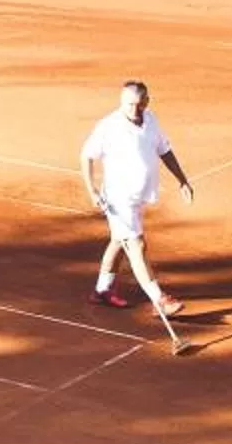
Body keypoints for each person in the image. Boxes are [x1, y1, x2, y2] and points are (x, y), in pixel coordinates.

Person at [80, 79, 193, 326]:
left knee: (118, 241)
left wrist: (182, 180)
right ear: (121, 102)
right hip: (118, 199)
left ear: (147, 102)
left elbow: (164, 150)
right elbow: (86, 156)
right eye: (129, 104)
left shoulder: (151, 119)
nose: (134, 110)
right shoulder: (109, 126)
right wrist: (93, 191)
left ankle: (102, 291)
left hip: (138, 196)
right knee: (136, 244)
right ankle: (159, 299)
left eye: (139, 104)